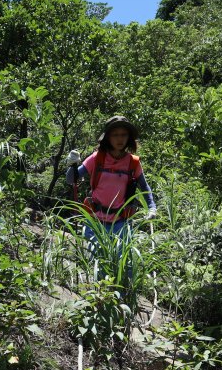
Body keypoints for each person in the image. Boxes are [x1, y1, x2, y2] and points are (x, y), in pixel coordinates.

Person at [65, 115, 157, 281]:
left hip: (121, 221)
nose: (120, 139)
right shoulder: (97, 158)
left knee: (123, 265)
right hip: (95, 220)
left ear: (129, 138)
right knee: (96, 264)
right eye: (115, 135)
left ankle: (123, 300)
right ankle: (97, 302)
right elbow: (72, 179)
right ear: (108, 137)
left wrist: (152, 207)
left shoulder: (133, 163)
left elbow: (145, 187)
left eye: (123, 135)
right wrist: (71, 165)